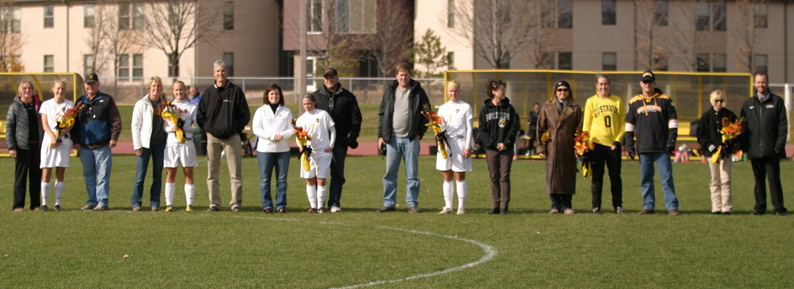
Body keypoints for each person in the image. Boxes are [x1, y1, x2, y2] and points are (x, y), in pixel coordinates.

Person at [196, 60, 250, 212]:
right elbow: (201, 116)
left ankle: (236, 203)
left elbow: (244, 115)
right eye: (218, 71)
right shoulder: (208, 93)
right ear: (214, 73)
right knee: (212, 172)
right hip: (213, 138)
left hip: (232, 138)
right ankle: (214, 203)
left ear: (227, 72)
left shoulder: (236, 91)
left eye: (223, 71)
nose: (221, 74)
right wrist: (207, 129)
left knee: (235, 173)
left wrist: (236, 129)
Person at [377, 62, 430, 213]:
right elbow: (382, 114)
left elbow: (427, 113)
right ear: (396, 76)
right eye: (401, 75)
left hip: (411, 139)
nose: (403, 77)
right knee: (390, 173)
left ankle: (412, 203)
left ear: (410, 75)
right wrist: (381, 135)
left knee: (412, 173)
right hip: (392, 139)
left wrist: (420, 133)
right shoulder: (389, 91)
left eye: (406, 74)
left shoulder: (418, 91)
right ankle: (389, 203)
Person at [625, 70, 679, 215]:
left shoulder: (665, 99)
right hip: (644, 147)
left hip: (662, 147)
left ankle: (672, 207)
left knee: (666, 178)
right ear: (640, 83)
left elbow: (673, 122)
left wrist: (671, 141)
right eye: (645, 82)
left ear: (655, 83)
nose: (647, 84)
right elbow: (629, 125)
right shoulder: (634, 101)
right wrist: (629, 145)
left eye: (650, 82)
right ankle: (648, 206)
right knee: (646, 179)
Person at [312, 68, 362, 213]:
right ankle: (316, 204)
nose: (329, 80)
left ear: (337, 78)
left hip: (339, 141)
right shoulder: (316, 96)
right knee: (318, 173)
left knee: (337, 174)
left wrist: (352, 137)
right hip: (319, 143)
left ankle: (334, 203)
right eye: (326, 77)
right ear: (323, 79)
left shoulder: (348, 97)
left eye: (332, 77)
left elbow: (356, 118)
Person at [71, 73, 122, 211]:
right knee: (88, 175)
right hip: (85, 146)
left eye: (93, 83)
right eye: (88, 84)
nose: (90, 86)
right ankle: (92, 201)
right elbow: (73, 124)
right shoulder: (80, 102)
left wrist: (114, 137)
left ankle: (102, 201)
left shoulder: (106, 100)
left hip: (102, 145)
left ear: (98, 85)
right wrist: (75, 141)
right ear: (85, 86)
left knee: (103, 175)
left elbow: (116, 120)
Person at [741, 73, 787, 216]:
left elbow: (782, 126)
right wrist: (745, 148)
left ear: (768, 83)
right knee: (758, 181)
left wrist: (778, 145)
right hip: (754, 149)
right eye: (758, 82)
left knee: (774, 180)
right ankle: (760, 208)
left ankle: (779, 208)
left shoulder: (777, 102)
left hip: (771, 149)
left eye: (763, 82)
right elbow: (742, 128)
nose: (761, 85)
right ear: (754, 84)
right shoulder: (748, 104)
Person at [537, 80, 583, 215]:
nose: (562, 92)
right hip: (552, 147)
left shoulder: (575, 108)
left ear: (569, 92)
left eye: (565, 90)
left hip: (568, 147)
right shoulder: (547, 107)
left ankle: (567, 205)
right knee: (553, 177)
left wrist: (578, 148)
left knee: (567, 176)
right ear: (555, 92)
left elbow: (580, 130)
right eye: (560, 90)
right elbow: (540, 128)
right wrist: (541, 147)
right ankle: (555, 205)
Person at [582, 75, 626, 214]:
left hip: (613, 145)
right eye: (600, 84)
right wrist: (586, 144)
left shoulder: (617, 101)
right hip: (596, 145)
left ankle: (618, 206)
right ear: (596, 85)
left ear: (609, 85)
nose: (603, 87)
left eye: (605, 84)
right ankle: (596, 206)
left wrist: (617, 140)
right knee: (597, 177)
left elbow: (622, 124)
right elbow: (586, 125)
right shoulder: (591, 101)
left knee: (615, 177)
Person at [477, 80, 519, 215]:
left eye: (504, 89)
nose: (504, 92)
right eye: (501, 89)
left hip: (506, 148)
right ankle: (495, 205)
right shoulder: (485, 110)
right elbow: (482, 130)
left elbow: (514, 127)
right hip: (491, 148)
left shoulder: (509, 108)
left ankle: (505, 206)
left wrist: (506, 143)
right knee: (494, 177)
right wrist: (494, 144)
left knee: (504, 176)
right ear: (494, 92)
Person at [252, 84, 294, 213]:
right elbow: (256, 129)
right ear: (267, 96)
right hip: (265, 150)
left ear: (280, 95)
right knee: (265, 179)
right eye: (271, 94)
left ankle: (281, 205)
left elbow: (292, 128)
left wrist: (282, 135)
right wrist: (271, 136)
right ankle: (267, 205)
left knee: (282, 180)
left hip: (283, 150)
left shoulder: (286, 111)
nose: (274, 96)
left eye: (276, 94)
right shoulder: (260, 111)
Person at [162, 80, 201, 212]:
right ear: (173, 91)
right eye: (176, 90)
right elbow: (165, 128)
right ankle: (169, 204)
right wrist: (172, 129)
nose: (179, 92)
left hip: (186, 143)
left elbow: (198, 127)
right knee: (170, 172)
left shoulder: (192, 107)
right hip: (172, 144)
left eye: (181, 90)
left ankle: (189, 204)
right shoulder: (168, 107)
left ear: (186, 91)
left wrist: (185, 129)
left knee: (188, 172)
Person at [697, 90, 738, 215]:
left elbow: (737, 132)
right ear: (712, 101)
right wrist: (709, 146)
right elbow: (701, 135)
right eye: (716, 101)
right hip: (712, 154)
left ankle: (727, 207)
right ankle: (716, 207)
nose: (719, 103)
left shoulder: (730, 115)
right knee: (715, 180)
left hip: (726, 153)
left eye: (721, 101)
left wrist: (730, 144)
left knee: (726, 180)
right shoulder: (706, 117)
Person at [436, 81, 473, 215]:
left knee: (459, 174)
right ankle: (448, 206)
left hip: (460, 143)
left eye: (456, 91)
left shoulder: (466, 107)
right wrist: (437, 132)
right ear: (447, 92)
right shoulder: (443, 108)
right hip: (446, 143)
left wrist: (467, 146)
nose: (453, 93)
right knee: (446, 174)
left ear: (459, 91)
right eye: (451, 91)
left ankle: (461, 207)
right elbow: (440, 126)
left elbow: (469, 128)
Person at [130, 76, 167, 211]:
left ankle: (155, 202)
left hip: (160, 143)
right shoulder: (142, 104)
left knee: (157, 175)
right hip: (145, 145)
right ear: (149, 88)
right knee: (140, 175)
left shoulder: (165, 105)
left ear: (161, 88)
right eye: (154, 86)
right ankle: (136, 202)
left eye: (158, 86)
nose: (156, 89)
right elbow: (135, 126)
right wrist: (137, 145)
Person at [296, 94, 336, 213]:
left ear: (314, 103)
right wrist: (300, 146)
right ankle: (313, 206)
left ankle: (320, 206)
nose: (307, 106)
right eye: (304, 104)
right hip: (308, 153)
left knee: (321, 180)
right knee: (310, 179)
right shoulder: (301, 119)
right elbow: (298, 135)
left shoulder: (323, 114)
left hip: (323, 152)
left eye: (309, 103)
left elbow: (332, 129)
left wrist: (331, 145)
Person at [7, 80, 43, 211]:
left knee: (35, 177)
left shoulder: (39, 105)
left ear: (33, 90)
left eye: (29, 88)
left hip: (37, 147)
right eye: (24, 88)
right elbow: (10, 127)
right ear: (20, 91)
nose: (27, 91)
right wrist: (11, 147)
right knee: (21, 177)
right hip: (22, 147)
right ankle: (18, 205)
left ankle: (35, 204)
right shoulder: (15, 107)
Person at [39, 81, 73, 211]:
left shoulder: (70, 104)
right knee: (46, 172)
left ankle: (57, 203)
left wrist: (59, 135)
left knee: (60, 172)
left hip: (62, 141)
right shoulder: (46, 104)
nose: (60, 91)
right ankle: (44, 203)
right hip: (49, 141)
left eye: (63, 89)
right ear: (53, 89)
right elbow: (44, 124)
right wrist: (53, 137)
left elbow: (70, 124)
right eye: (58, 88)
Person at [189, 85, 206, 156]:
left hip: (200, 118)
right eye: (190, 92)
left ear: (197, 91)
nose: (191, 93)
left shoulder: (201, 97)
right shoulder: (191, 100)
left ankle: (202, 150)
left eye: (193, 91)